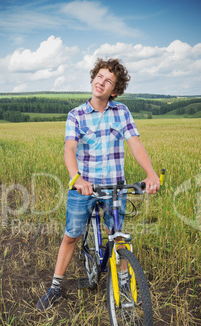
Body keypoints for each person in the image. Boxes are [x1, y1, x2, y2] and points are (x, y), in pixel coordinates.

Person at [36, 58, 160, 311]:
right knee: (71, 236)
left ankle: (123, 284)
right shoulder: (76, 115)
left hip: (114, 187)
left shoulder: (121, 111)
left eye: (108, 81)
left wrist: (151, 173)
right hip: (85, 187)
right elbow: (69, 149)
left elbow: (134, 143)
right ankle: (56, 287)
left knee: (117, 237)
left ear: (114, 90)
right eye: (99, 77)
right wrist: (77, 179)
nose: (101, 83)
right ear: (93, 78)